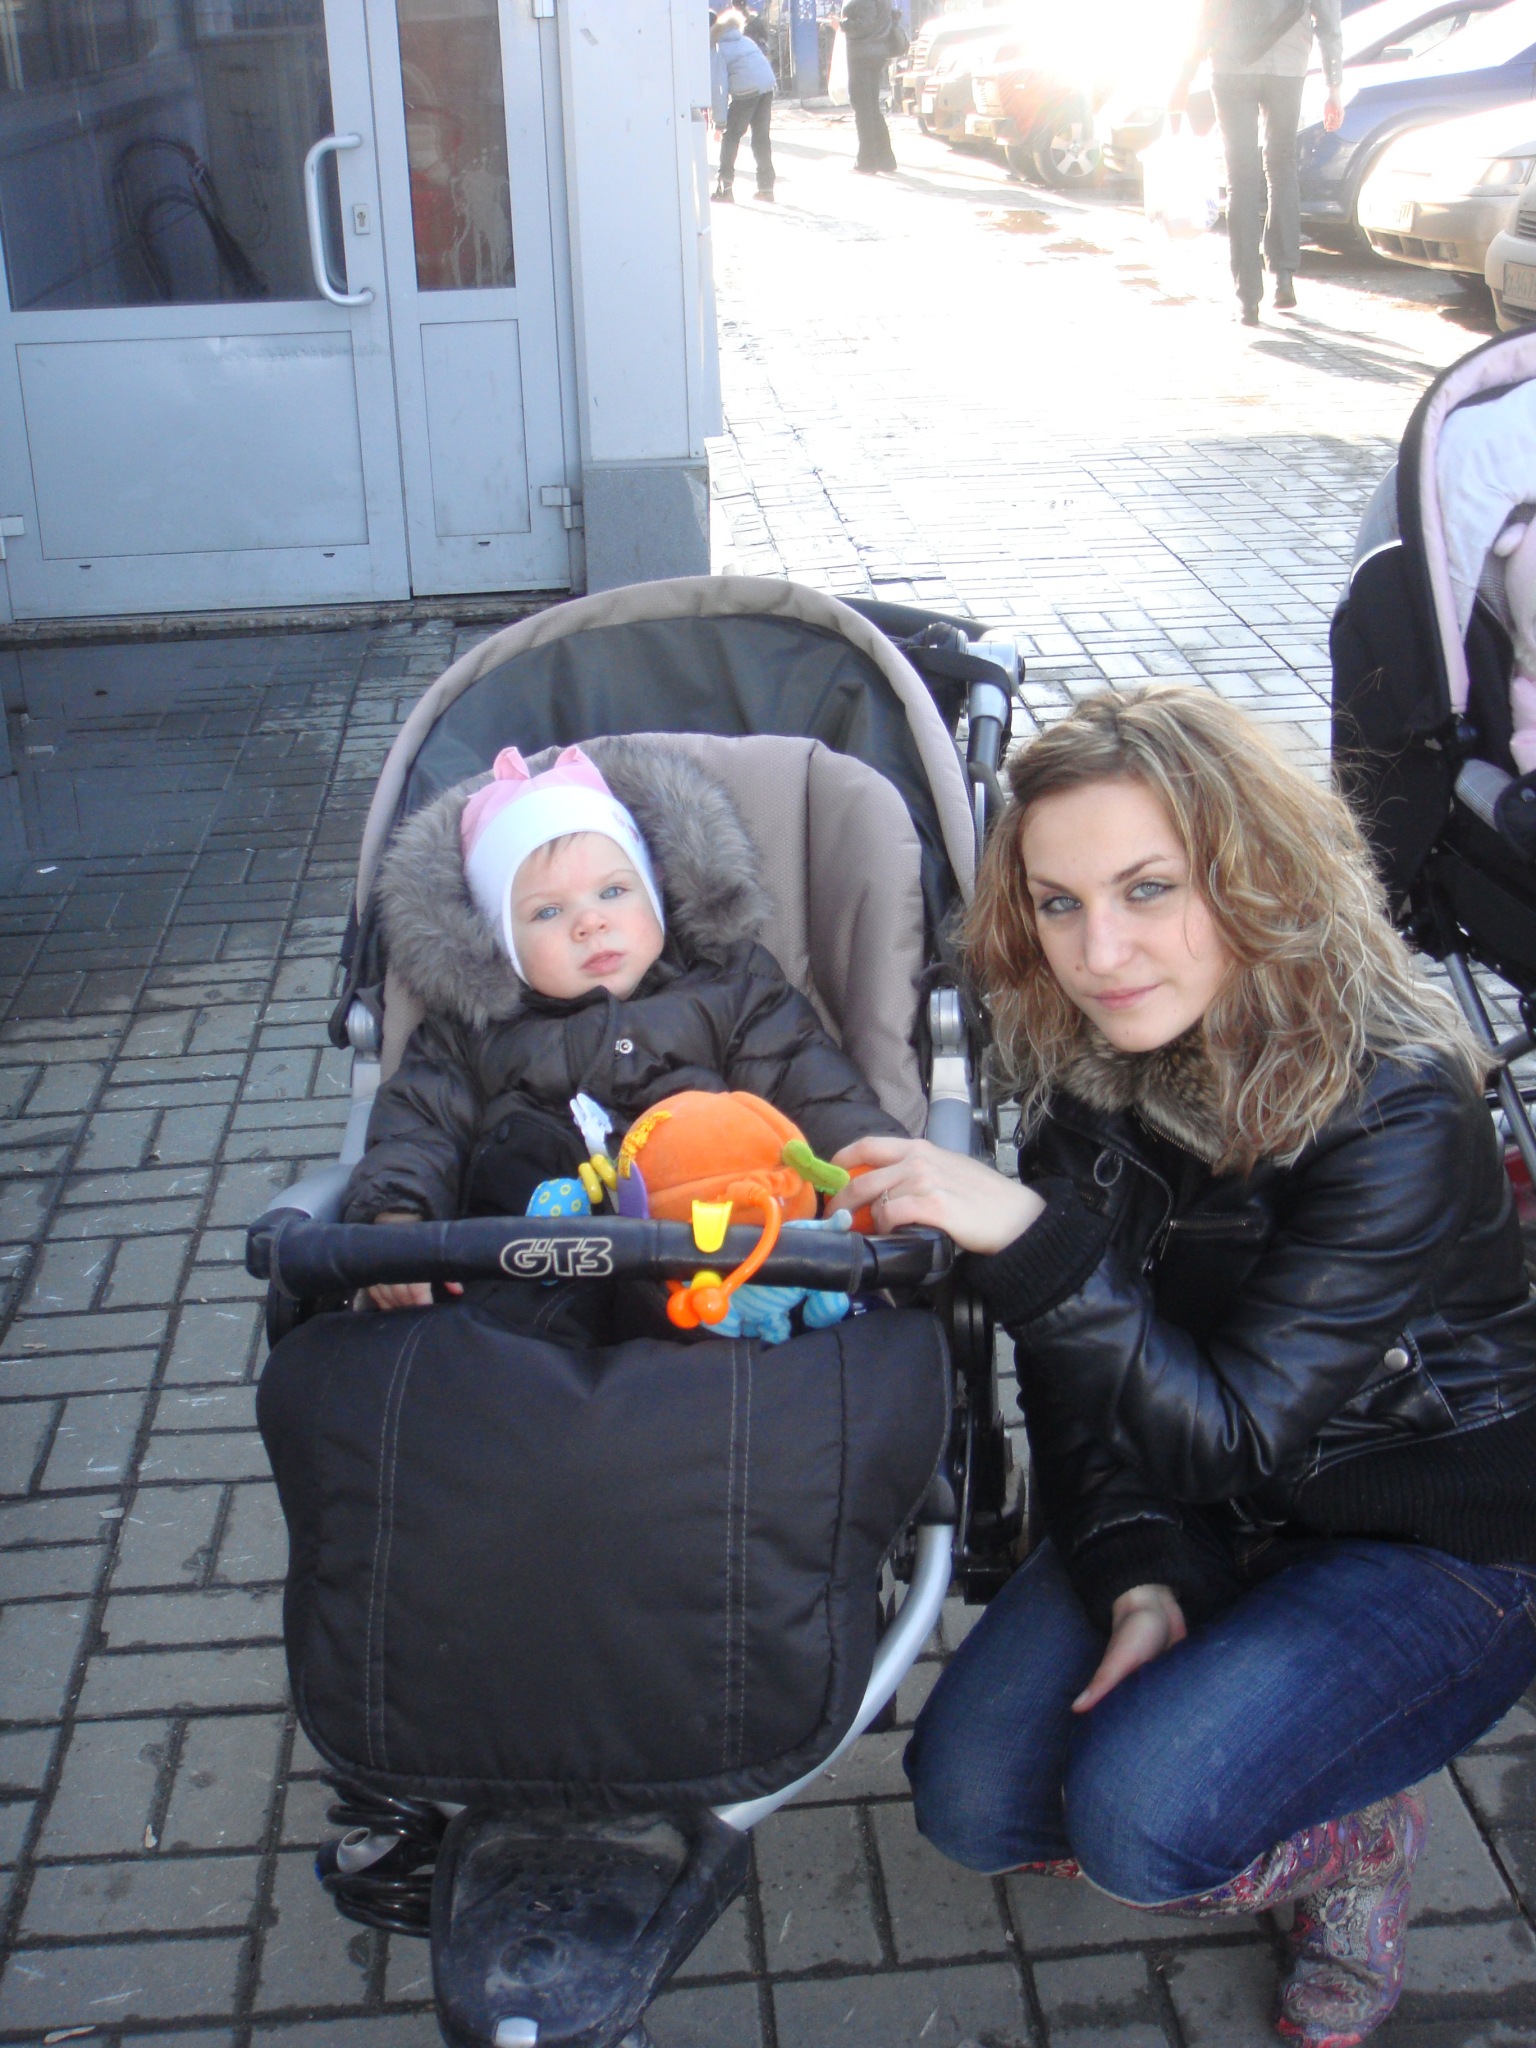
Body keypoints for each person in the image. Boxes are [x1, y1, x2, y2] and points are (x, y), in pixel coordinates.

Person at [829, 686, 1536, 2046]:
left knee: (1143, 1824)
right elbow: (1073, 1381)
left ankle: (1358, 1843)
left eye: (1150, 888)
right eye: (1059, 903)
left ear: (1255, 871)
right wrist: (1134, 1562)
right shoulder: (1093, 1067)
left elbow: (1234, 1426)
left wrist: (1024, 1240)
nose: (1101, 952)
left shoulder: (1396, 1096)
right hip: (1201, 1492)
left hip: (1424, 1532)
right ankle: (1266, 1733)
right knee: (970, 1799)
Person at [345, 739, 905, 1313]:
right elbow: (419, 1130)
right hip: (528, 1289)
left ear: (656, 894)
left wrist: (876, 1173)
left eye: (613, 891)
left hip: (717, 1272)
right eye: (547, 911)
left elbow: (809, 1082)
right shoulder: (472, 1033)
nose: (590, 922)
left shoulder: (729, 990)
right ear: (499, 944)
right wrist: (397, 1216)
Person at [1172, 0, 1345, 325]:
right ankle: (1283, 275)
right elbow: (1328, 20)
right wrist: (1333, 86)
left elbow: (1207, 12)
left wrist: (1183, 78)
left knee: (1240, 177)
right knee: (1281, 165)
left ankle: (1247, 299)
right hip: (1287, 65)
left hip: (1231, 64)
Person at [711, 7, 778, 204]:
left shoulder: (718, 49)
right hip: (766, 87)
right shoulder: (745, 40)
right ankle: (766, 188)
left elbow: (719, 88)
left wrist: (719, 122)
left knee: (731, 137)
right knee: (761, 138)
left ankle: (725, 189)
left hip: (746, 92)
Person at [840, 0, 899, 175]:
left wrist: (841, 24)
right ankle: (885, 159)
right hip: (875, 52)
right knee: (871, 107)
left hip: (863, 55)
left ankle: (867, 162)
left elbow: (865, 24)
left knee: (863, 108)